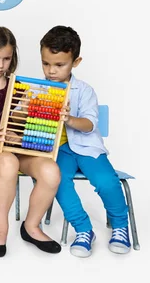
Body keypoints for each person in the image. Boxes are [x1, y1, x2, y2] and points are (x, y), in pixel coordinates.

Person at [0, 25, 61, 257]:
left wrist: (34, 116)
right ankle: (0, 228)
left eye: (6, 59)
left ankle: (31, 226)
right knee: (7, 162)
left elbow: (31, 127)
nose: (0, 65)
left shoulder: (20, 89)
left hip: (19, 148)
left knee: (51, 171)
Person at [41, 25, 130, 257]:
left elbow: (89, 125)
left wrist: (69, 118)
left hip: (88, 147)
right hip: (59, 150)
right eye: (46, 63)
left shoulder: (85, 90)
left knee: (106, 181)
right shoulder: (39, 89)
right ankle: (83, 229)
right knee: (56, 181)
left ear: (75, 62)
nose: (51, 71)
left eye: (59, 65)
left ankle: (120, 226)